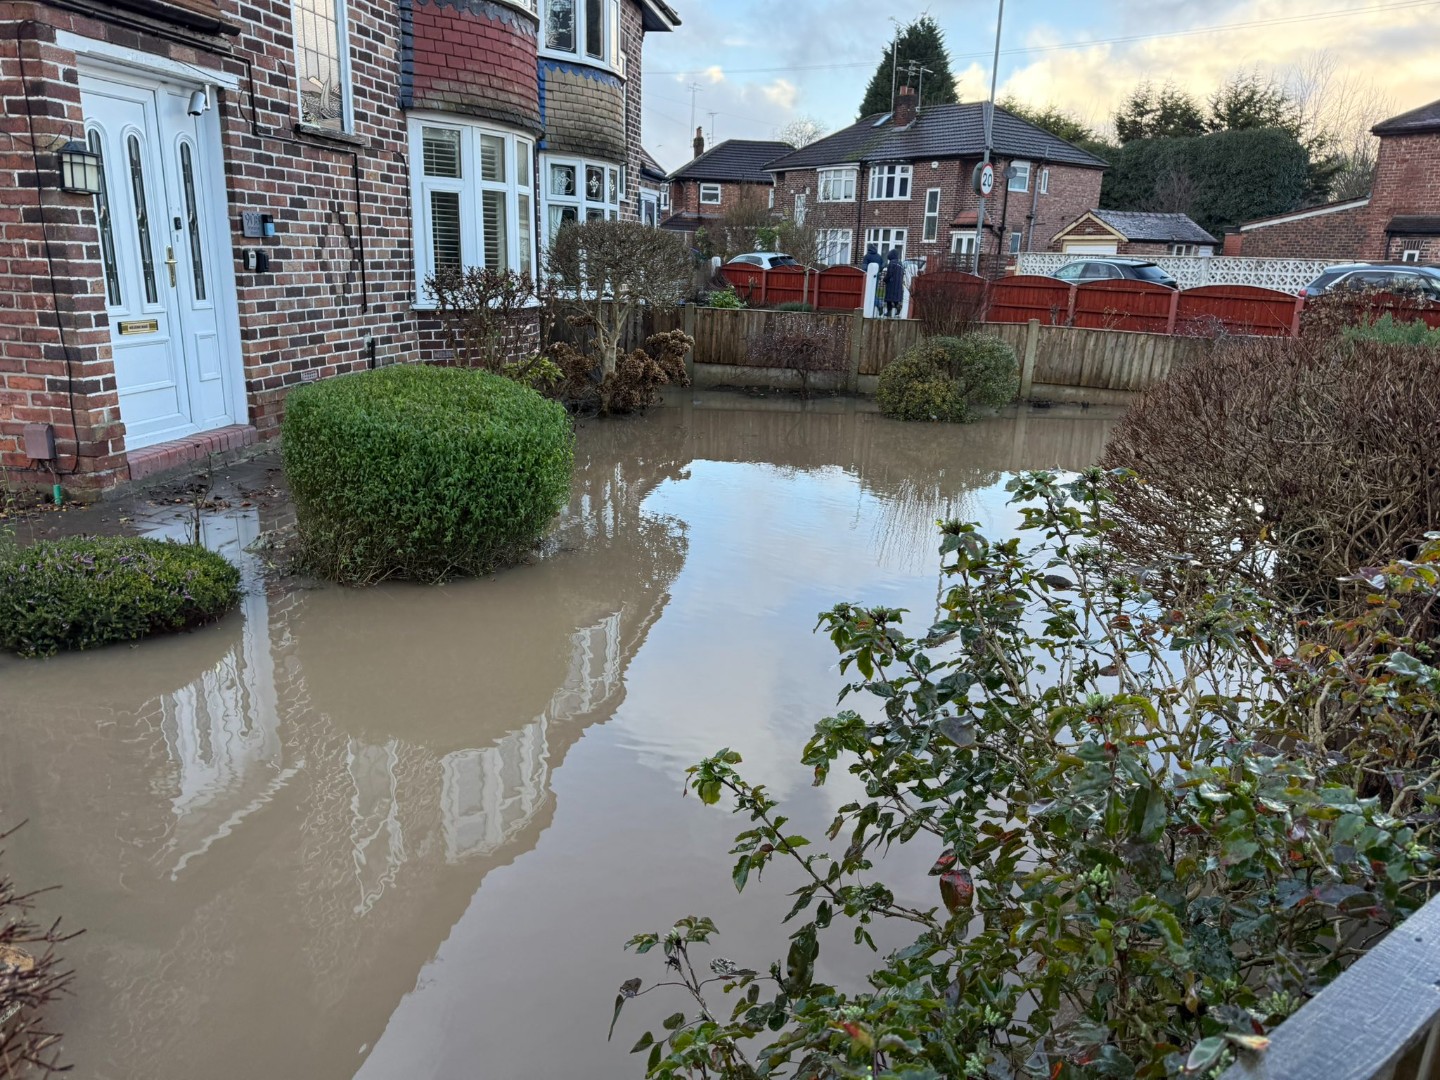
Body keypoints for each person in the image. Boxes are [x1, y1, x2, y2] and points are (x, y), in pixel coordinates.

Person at [861, 243, 885, 315]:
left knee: (868, 293)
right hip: (877, 276)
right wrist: (879, 269)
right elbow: (883, 264)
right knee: (874, 292)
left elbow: (864, 267)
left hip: (868, 278)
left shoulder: (866, 257)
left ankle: (878, 304)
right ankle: (878, 304)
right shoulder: (879, 256)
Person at [883, 248, 906, 318]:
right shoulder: (900, 264)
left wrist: (885, 279)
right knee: (895, 298)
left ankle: (889, 312)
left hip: (891, 283)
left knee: (889, 299)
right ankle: (897, 306)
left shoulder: (891, 263)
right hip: (898, 284)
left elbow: (889, 274)